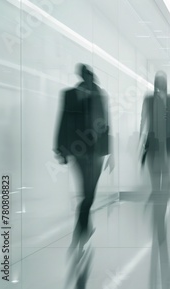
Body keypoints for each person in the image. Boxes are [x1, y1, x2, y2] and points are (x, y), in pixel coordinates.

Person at [54, 64, 114, 289]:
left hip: (96, 151)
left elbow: (107, 123)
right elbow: (62, 120)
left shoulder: (101, 95)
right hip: (79, 150)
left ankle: (84, 227)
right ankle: (80, 232)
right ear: (82, 77)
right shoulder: (69, 95)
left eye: (90, 77)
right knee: (86, 191)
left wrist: (109, 152)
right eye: (85, 77)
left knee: (90, 193)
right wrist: (60, 148)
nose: (88, 80)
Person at [139, 70, 170, 289]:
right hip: (152, 146)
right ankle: (158, 212)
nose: (161, 86)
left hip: (168, 145)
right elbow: (144, 120)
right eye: (159, 83)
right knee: (157, 182)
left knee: (167, 184)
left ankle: (159, 207)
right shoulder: (148, 100)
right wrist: (141, 140)